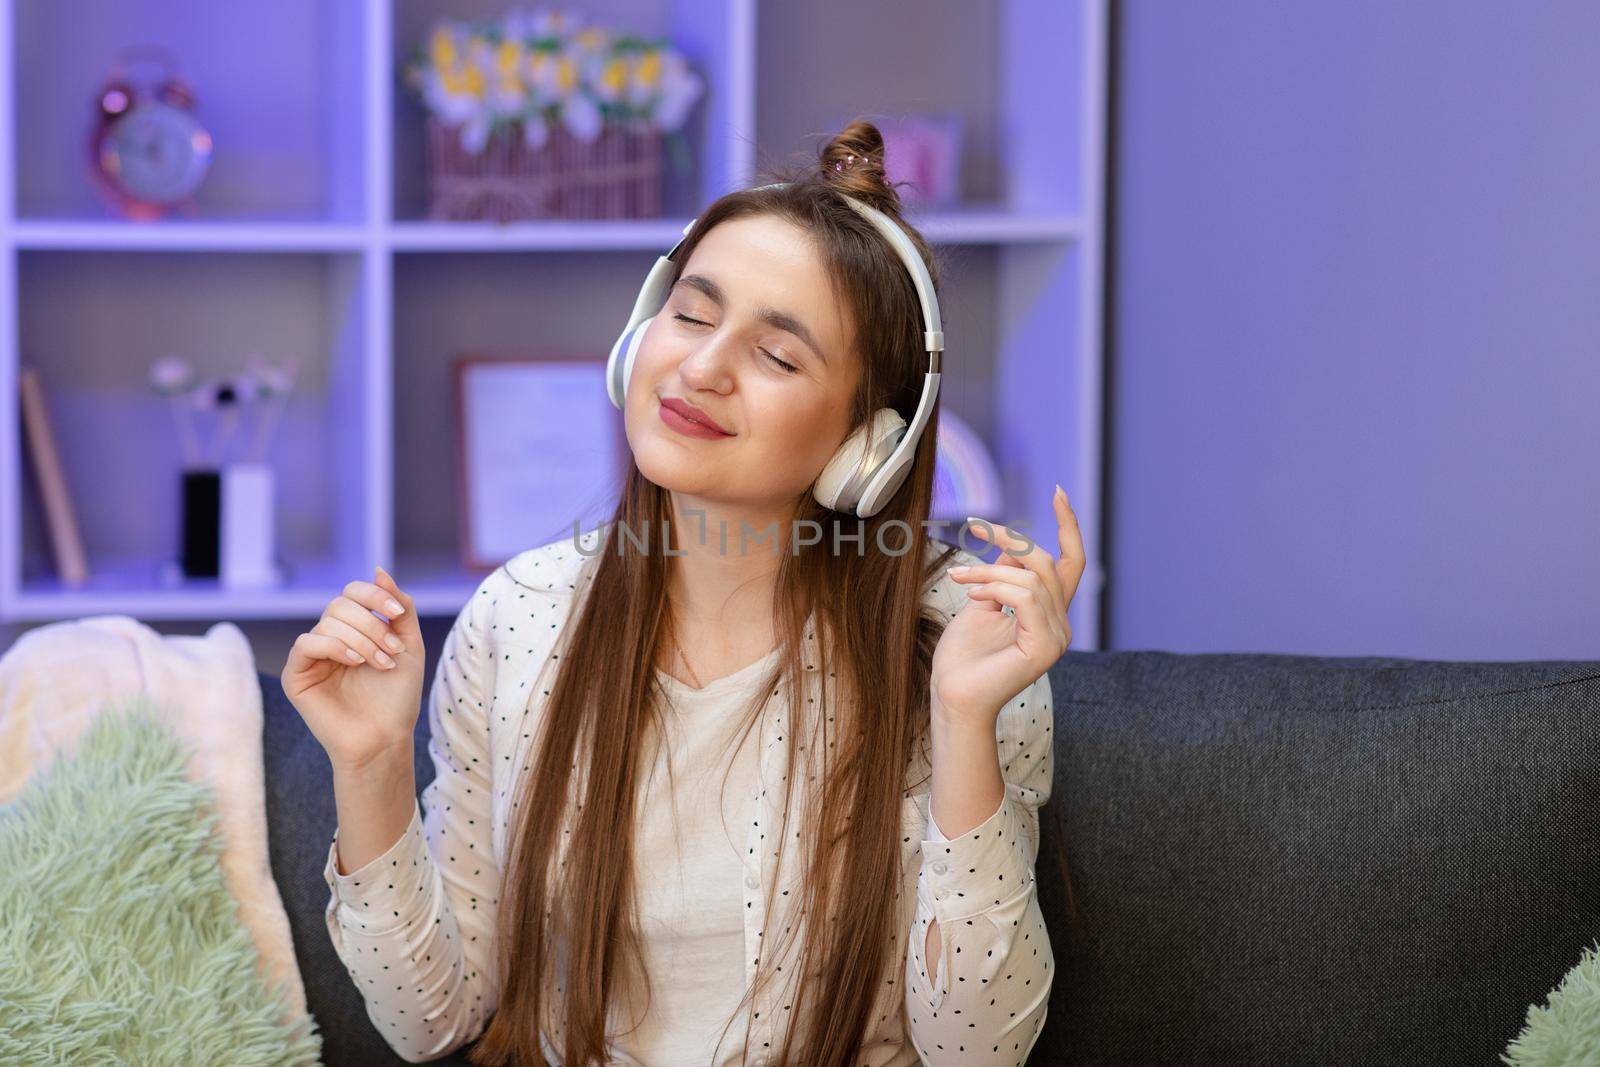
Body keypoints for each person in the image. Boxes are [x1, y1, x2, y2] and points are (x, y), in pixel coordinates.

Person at [282, 118, 1086, 1066]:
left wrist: (961, 718)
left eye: (778, 356)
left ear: (869, 445)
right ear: (640, 337)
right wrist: (371, 764)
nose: (701, 368)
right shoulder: (519, 617)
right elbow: (433, 1021)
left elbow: (977, 1053)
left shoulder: (962, 645)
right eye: (693, 315)